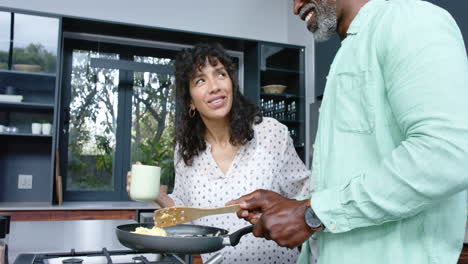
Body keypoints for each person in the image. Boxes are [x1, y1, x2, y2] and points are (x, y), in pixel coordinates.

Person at [227, 0, 468, 263]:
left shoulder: (410, 20)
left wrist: (311, 214)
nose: (295, 7)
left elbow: (447, 154)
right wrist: (296, 204)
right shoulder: (347, 52)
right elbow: (353, 177)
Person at [127, 42, 310, 263]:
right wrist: (158, 196)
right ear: (190, 101)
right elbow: (185, 215)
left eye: (220, 74)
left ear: (232, 83)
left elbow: (306, 198)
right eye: (200, 80)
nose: (214, 87)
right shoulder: (186, 152)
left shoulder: (272, 133)